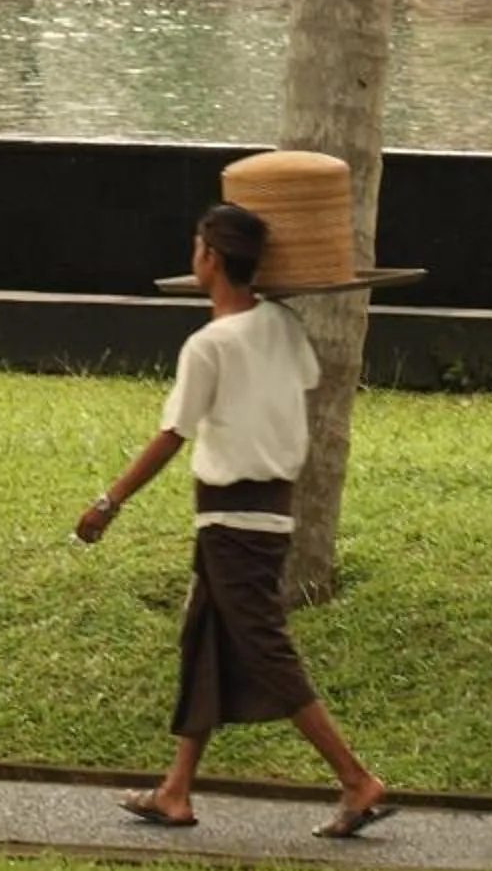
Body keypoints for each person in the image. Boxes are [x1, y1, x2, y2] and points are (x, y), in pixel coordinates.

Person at [71, 198, 392, 837]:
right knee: (205, 643)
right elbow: (294, 386)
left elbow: (172, 435)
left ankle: (357, 781)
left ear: (211, 259)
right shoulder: (284, 326)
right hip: (270, 512)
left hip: (232, 520)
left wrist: (108, 503)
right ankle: (175, 791)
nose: (193, 256)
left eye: (197, 246)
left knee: (266, 651)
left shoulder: (208, 345)